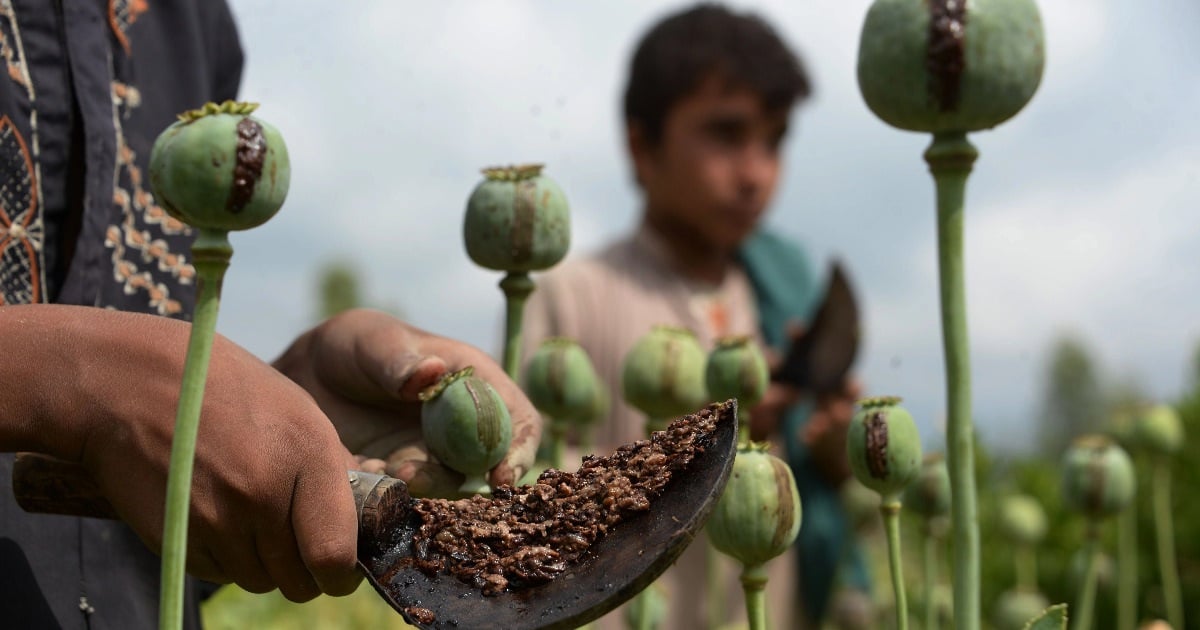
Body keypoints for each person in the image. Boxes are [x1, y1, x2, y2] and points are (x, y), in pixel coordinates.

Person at [0, 2, 538, 628]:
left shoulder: (194, 21)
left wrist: (285, 399)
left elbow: (152, 446)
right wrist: (77, 376)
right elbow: (122, 388)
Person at [522, 4, 870, 628]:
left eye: (774, 140)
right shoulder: (568, 296)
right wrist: (698, 442)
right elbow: (522, 498)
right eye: (727, 134)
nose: (756, 173)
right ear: (641, 145)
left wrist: (830, 454)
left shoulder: (778, 298)